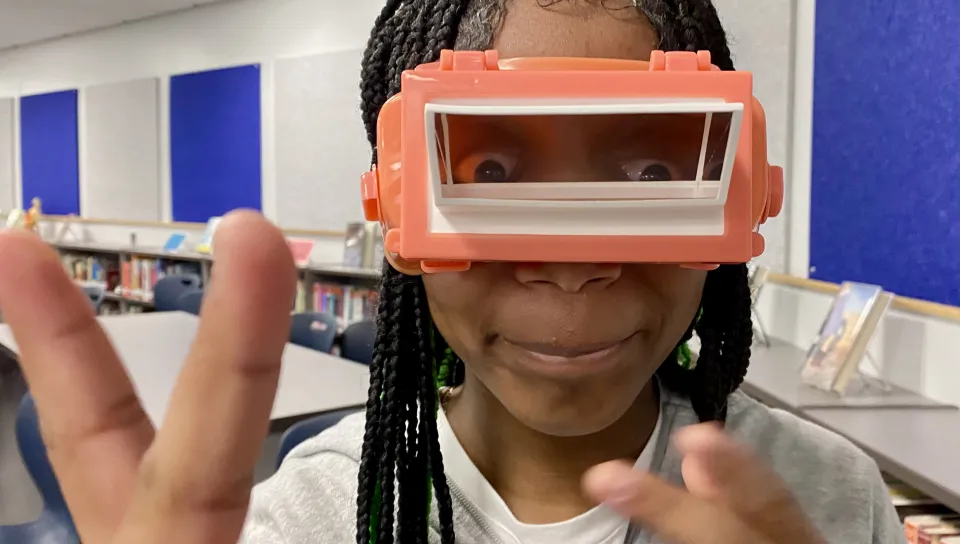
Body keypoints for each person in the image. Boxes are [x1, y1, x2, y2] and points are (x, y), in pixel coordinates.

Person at [0, 1, 903, 544]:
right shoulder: (309, 519)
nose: (567, 268)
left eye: (653, 177)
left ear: (742, 192)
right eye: (492, 175)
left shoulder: (826, 499)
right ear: (393, 205)